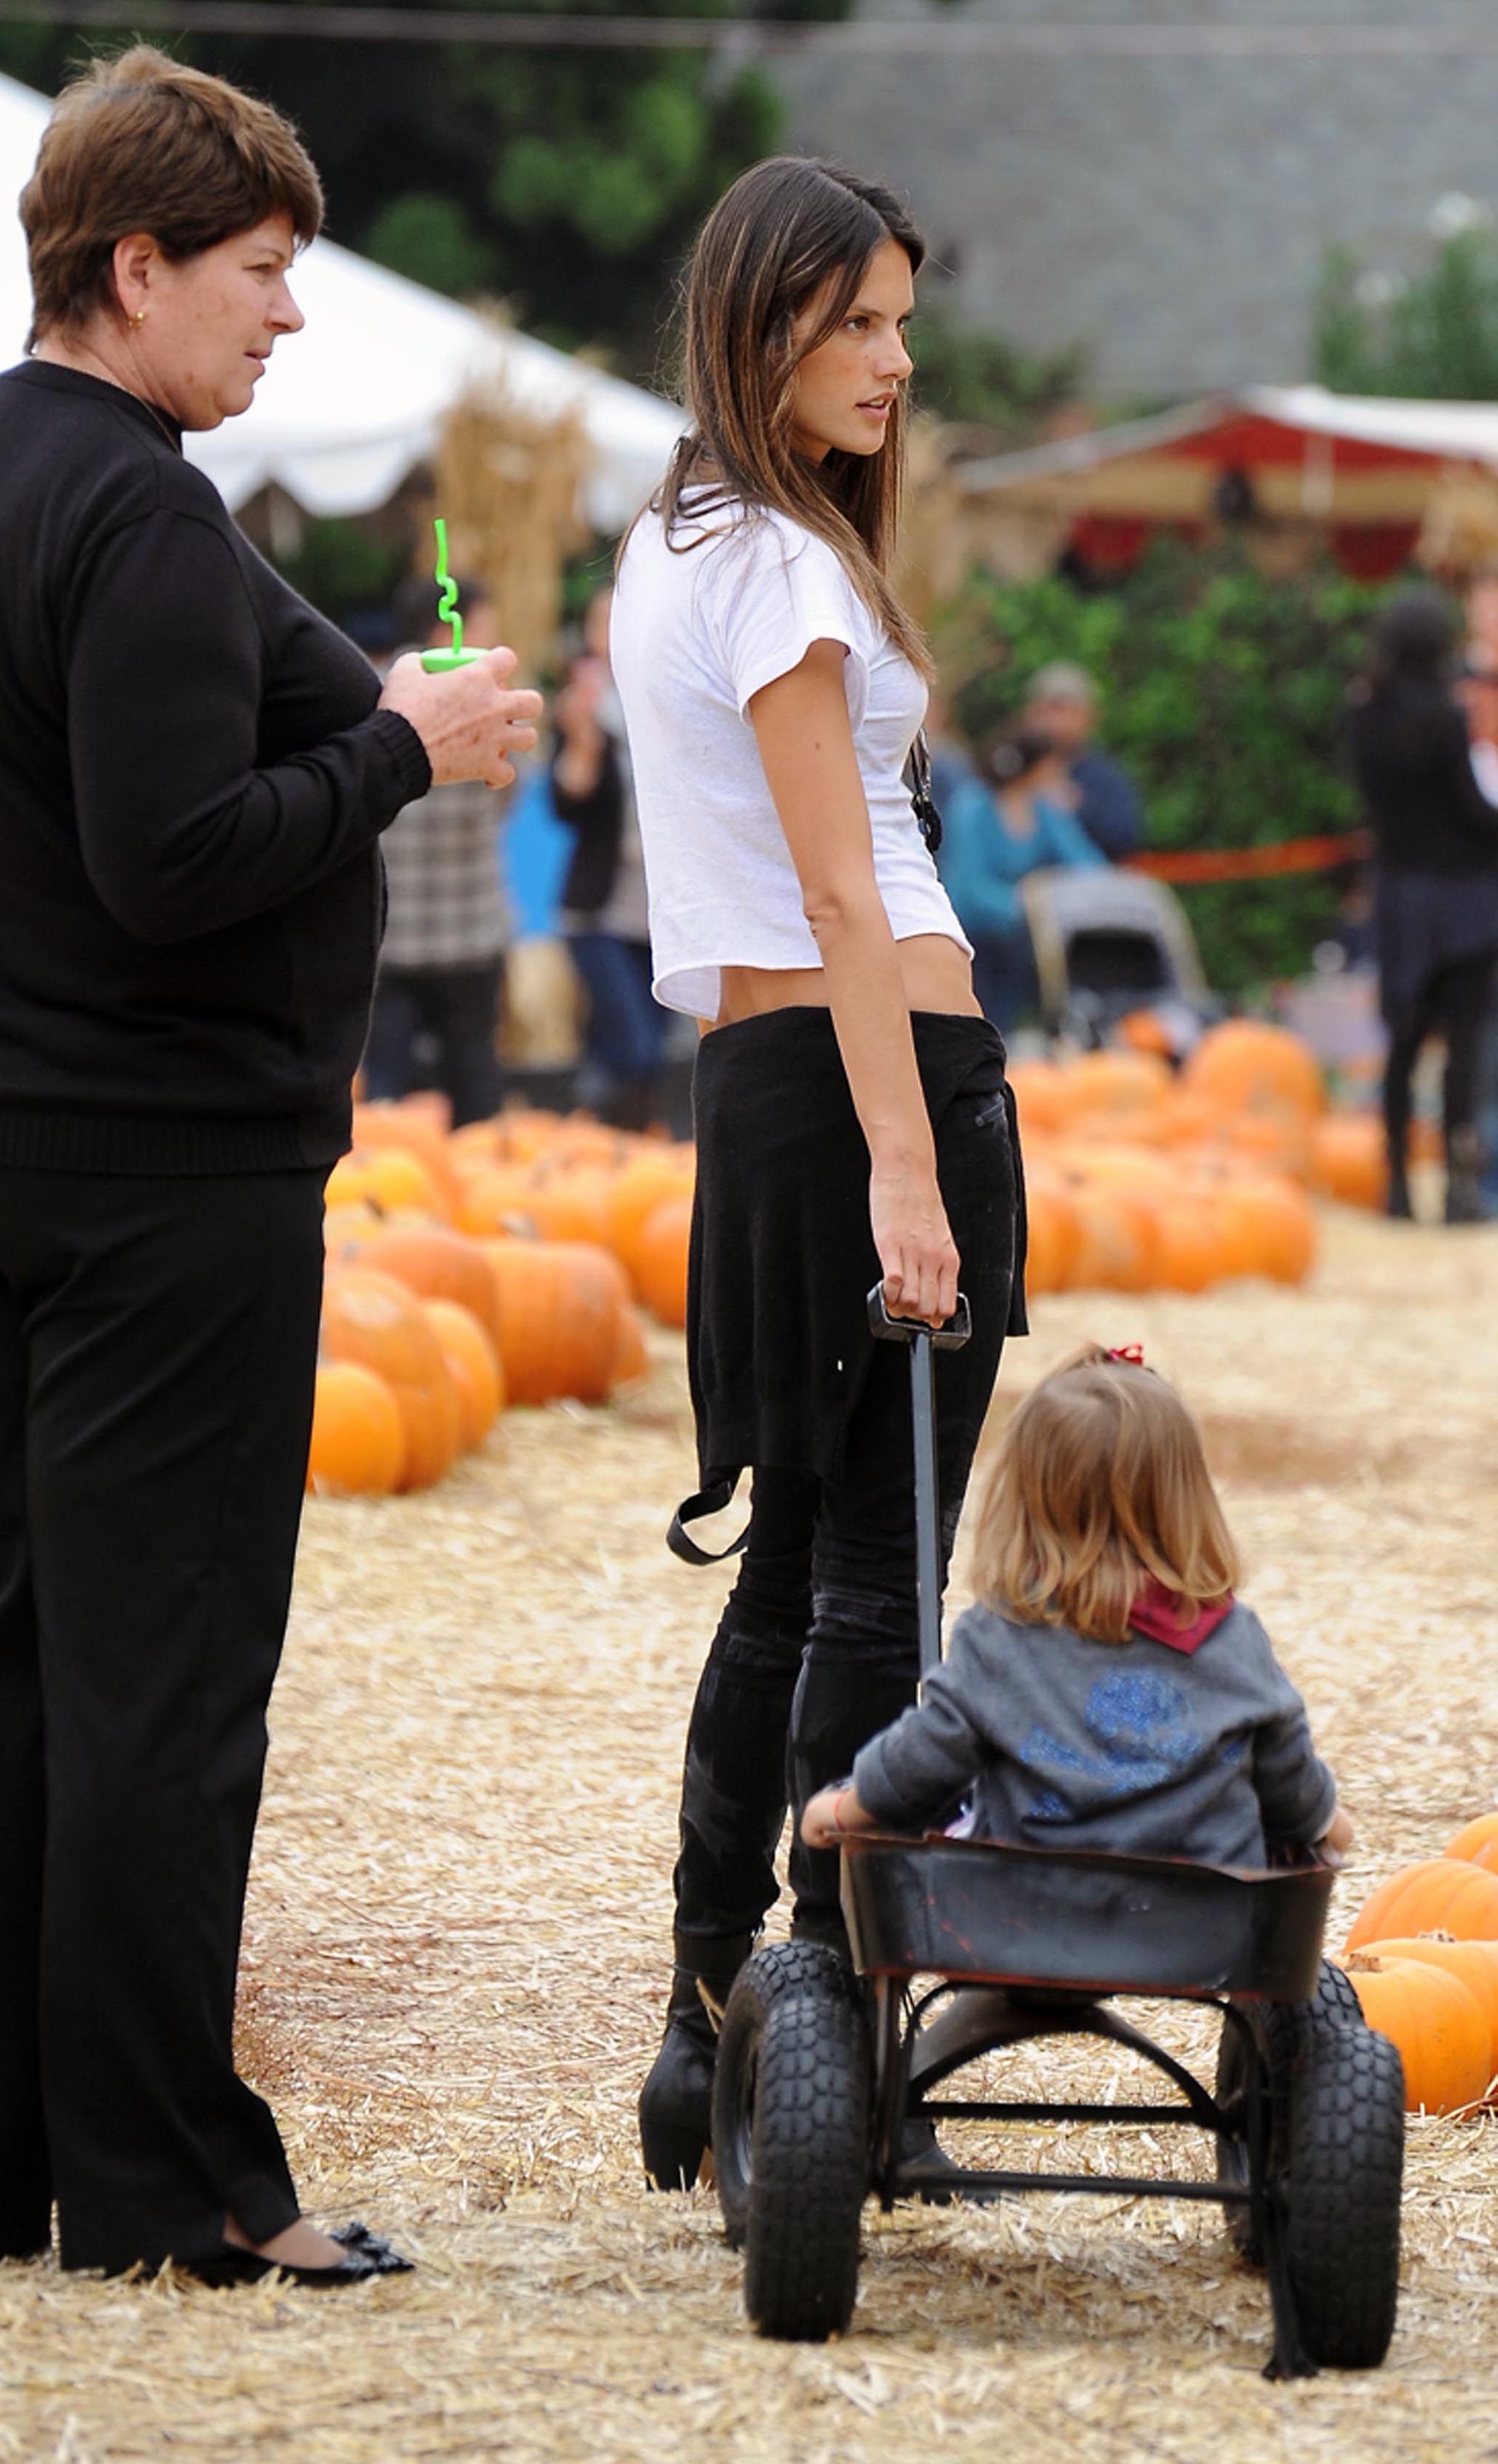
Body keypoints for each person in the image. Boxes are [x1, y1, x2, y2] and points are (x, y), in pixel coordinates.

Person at [0, 48, 538, 2282]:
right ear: (128, 267)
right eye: (256, 271)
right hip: (150, 1172)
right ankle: (166, 2187)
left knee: (24, 1659)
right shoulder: (135, 505)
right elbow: (174, 861)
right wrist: (397, 749)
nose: (288, 317)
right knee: (161, 1684)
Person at [609, 157, 1026, 2192]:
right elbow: (845, 887)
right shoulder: (776, 560)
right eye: (855, 320)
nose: (895, 358)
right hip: (873, 1083)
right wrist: (912, 1171)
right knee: (882, 1577)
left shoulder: (671, 540)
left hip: (767, 1088)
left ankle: (715, 2029)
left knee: (794, 1566)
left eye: (900, 321)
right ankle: (825, 2029)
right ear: (762, 317)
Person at [803, 1345, 1354, 1873]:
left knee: (946, 1830)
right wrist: (1325, 1821)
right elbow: (1288, 1778)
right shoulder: (1232, 1639)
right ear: (1187, 1506)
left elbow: (925, 1757)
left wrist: (847, 1807)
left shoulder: (1000, 1637)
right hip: (1205, 1936)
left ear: (1025, 1506)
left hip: (1026, 1926)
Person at [1346, 588, 1498, 1223]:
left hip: (1400, 894)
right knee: (1464, 1046)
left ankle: (1397, 1183)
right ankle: (1461, 1187)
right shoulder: (1443, 713)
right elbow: (1469, 807)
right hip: (1462, 899)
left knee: (1402, 1045)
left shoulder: (1361, 712)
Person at [363, 574, 513, 1125]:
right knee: (474, 1078)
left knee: (387, 1090)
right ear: (447, 625)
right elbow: (508, 792)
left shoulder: (368, 691)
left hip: (389, 935)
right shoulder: (484, 702)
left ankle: (385, 1203)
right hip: (470, 932)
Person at [551, 588, 668, 1128]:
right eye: (602, 620)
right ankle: (602, 1155)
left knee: (644, 1047)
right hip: (599, 908)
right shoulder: (582, 710)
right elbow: (567, 801)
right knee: (634, 1045)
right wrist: (582, 742)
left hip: (660, 908)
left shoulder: (666, 701)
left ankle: (618, 1152)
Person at [937, 727, 1106, 1035]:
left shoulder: (1041, 808)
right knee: (987, 1016)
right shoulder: (972, 806)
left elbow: (1081, 858)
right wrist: (1029, 905)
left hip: (1022, 931)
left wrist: (1105, 890)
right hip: (973, 934)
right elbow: (968, 885)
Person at [1020, 660, 1146, 862]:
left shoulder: (1106, 780)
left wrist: (1078, 809)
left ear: (1091, 718)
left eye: (1071, 712)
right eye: (1051, 710)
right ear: (1030, 714)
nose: (1059, 722)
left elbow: (1123, 840)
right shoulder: (1008, 771)